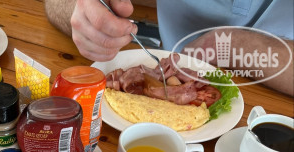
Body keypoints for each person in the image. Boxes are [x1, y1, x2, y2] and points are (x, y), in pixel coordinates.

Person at [44, 0, 293, 95]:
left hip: (275, 99)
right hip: (162, 71)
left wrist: (233, 44)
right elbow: (56, 3)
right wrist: (82, 13)